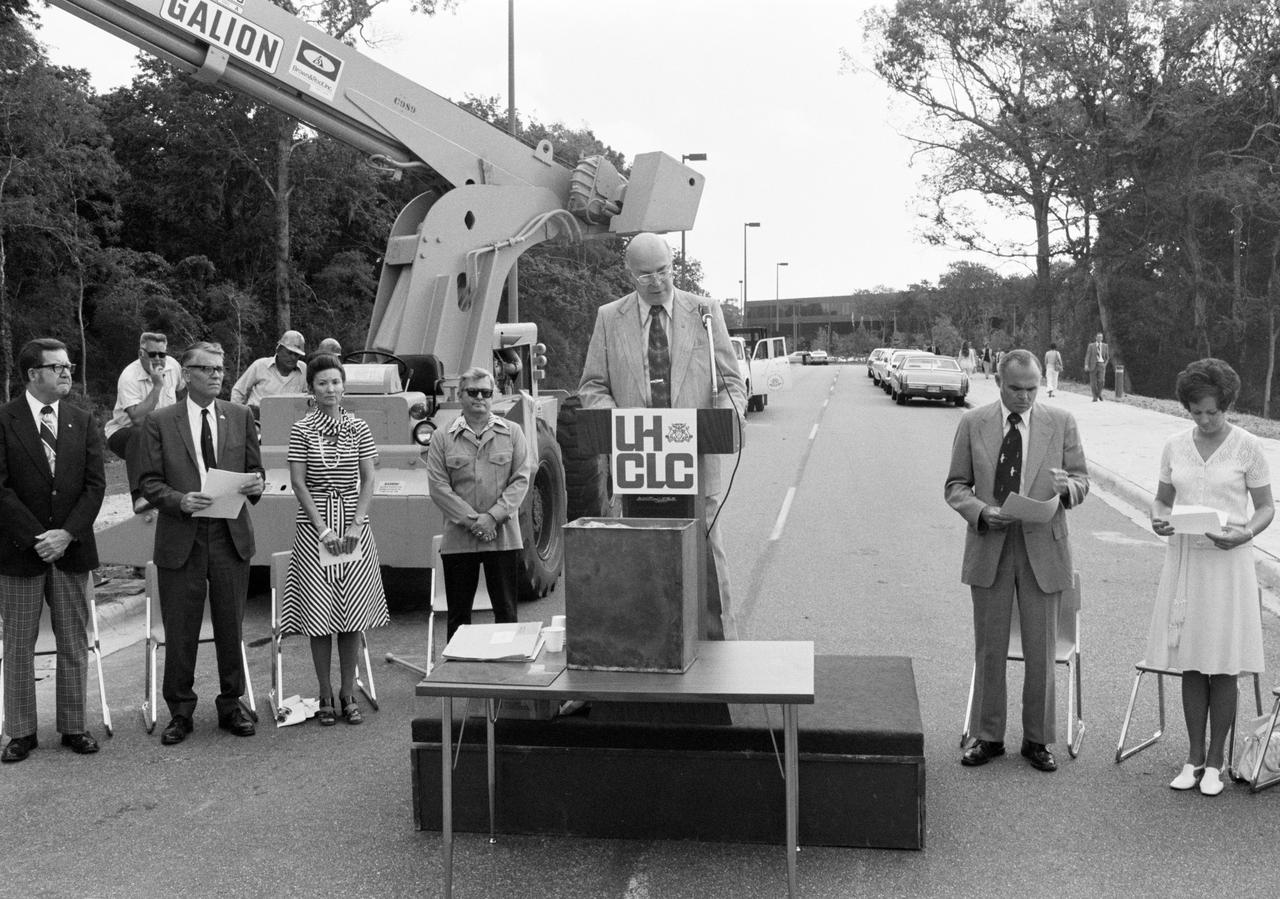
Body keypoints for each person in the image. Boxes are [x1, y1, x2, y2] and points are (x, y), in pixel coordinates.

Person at [578, 232, 747, 640]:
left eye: (664, 271)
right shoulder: (608, 317)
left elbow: (731, 383)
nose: (657, 282)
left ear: (674, 265)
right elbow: (592, 387)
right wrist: (623, 426)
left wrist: (725, 420)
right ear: (628, 274)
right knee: (641, 561)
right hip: (637, 468)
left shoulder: (705, 312)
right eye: (645, 275)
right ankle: (645, 643)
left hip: (696, 464)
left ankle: (721, 646)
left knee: (707, 558)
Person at [945, 349, 1089, 773]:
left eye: (1032, 388)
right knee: (989, 647)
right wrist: (982, 512)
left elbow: (1082, 481)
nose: (1025, 397)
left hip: (1043, 547)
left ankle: (1037, 739)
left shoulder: (1061, 423)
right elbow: (956, 485)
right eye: (1016, 389)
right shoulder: (973, 423)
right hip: (991, 544)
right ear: (998, 383)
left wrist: (1067, 490)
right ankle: (988, 737)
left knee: (1041, 650)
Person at [1146, 358, 1272, 796]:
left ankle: (1217, 761)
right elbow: (1162, 501)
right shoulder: (1174, 446)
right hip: (1186, 560)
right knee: (1193, 662)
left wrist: (1245, 534)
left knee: (1223, 664)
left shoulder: (1248, 447)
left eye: (1212, 411)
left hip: (1228, 562)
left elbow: (1265, 507)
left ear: (1228, 405)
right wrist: (1158, 519)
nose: (1203, 419)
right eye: (1195, 411)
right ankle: (1192, 757)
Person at [139, 341, 265, 745]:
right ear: (187, 374)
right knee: (180, 629)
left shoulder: (240, 415)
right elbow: (148, 481)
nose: (217, 375)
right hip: (183, 536)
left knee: (231, 625)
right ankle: (180, 710)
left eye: (221, 369)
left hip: (229, 535)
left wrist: (257, 482)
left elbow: (254, 468)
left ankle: (232, 704)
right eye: (208, 369)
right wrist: (179, 501)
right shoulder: (161, 420)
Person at [0, 339, 106, 763]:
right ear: (32, 374)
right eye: (58, 367)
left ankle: (74, 726)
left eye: (69, 365)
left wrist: (65, 534)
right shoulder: (4, 420)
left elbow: (96, 487)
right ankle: (21, 732)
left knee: (73, 643)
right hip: (19, 552)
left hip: (71, 551)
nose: (67, 373)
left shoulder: (82, 420)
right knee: (19, 646)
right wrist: (37, 538)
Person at [281, 354, 389, 725]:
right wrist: (323, 528)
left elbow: (369, 479)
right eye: (323, 383)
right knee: (320, 613)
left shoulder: (359, 427)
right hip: (316, 527)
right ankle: (324, 691)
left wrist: (357, 523)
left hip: (353, 525)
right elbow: (298, 482)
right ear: (311, 388)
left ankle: (348, 691)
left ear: (345, 386)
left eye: (336, 382)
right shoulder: (302, 429)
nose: (331, 389)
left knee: (352, 612)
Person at [426, 367, 530, 641]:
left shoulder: (513, 433)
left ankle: (506, 673)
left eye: (486, 392)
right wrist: (475, 522)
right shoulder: (442, 437)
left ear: (493, 395)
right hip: (460, 538)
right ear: (460, 396)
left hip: (503, 537)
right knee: (459, 616)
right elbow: (438, 487)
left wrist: (492, 518)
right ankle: (458, 676)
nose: (479, 398)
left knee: (506, 613)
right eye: (472, 392)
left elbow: (521, 480)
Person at [104, 332, 185, 513]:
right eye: (152, 354)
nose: (158, 359)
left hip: (161, 430)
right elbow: (138, 419)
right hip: (124, 432)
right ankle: (140, 496)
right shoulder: (129, 377)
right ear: (141, 354)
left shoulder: (173, 366)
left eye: (162, 354)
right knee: (141, 431)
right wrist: (157, 386)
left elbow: (182, 389)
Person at [229, 329, 307, 415]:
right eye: (289, 353)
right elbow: (239, 391)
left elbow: (308, 397)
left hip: (288, 419)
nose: (293, 357)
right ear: (278, 350)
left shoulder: (303, 370)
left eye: (296, 355)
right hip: (257, 418)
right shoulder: (260, 365)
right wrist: (237, 416)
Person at [1084, 331, 1110, 401]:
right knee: (1093, 382)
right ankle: (1095, 397)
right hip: (1092, 365)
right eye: (1098, 337)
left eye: (1101, 337)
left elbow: (1107, 357)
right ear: (1096, 338)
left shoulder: (1105, 346)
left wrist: (1105, 365)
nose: (1099, 338)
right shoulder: (1091, 345)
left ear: (1102, 338)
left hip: (1101, 365)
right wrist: (1086, 365)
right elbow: (1088, 356)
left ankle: (1098, 394)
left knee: (1101, 381)